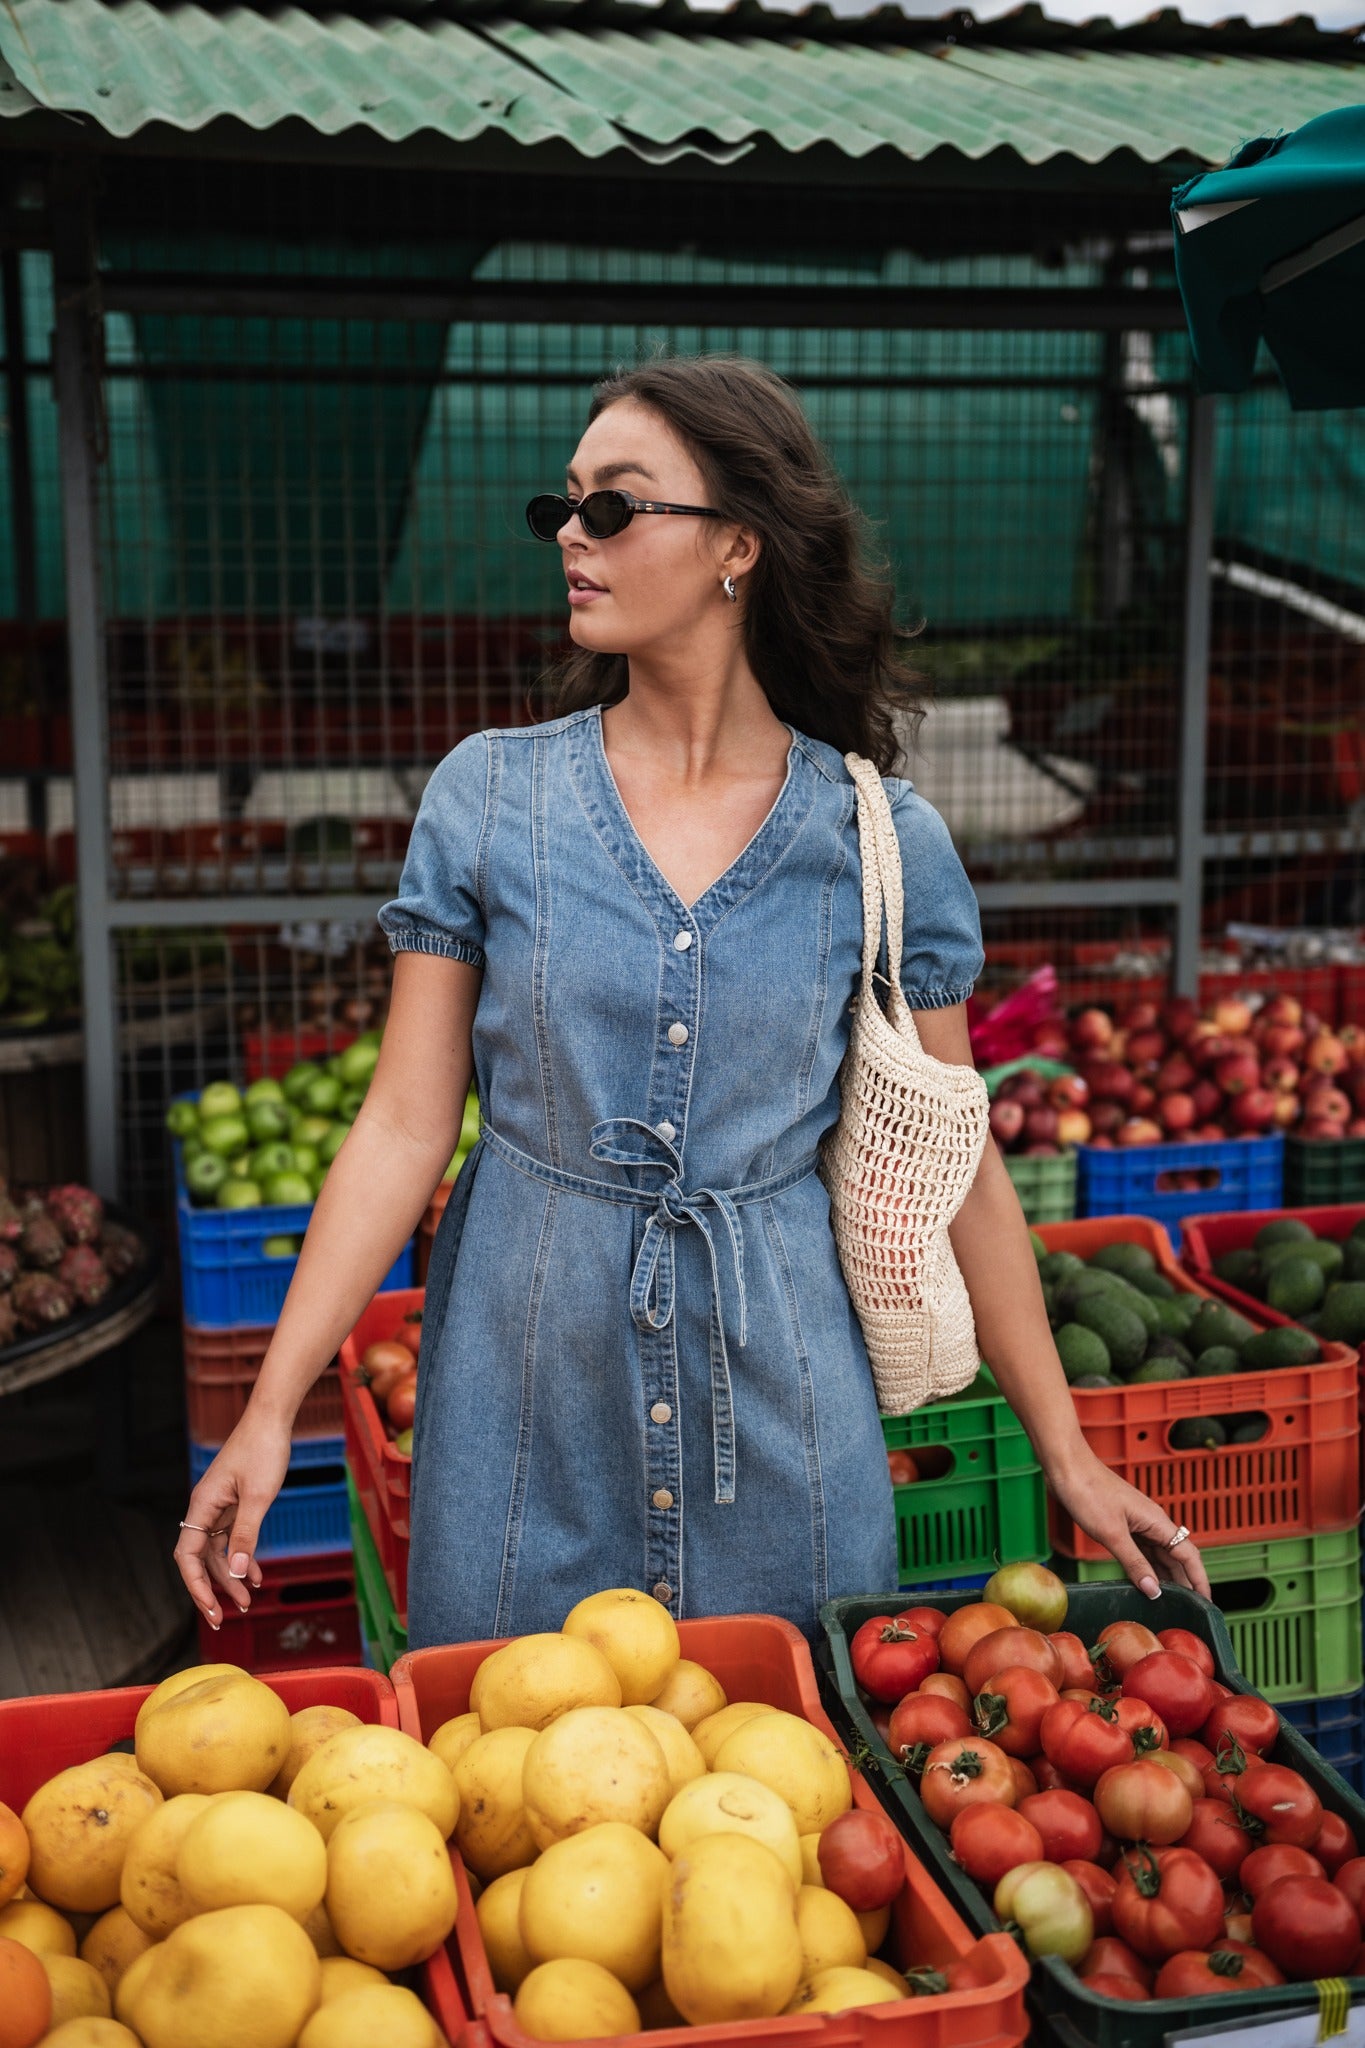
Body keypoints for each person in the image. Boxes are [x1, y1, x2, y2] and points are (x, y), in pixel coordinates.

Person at [175, 354, 1209, 1643]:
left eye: (613, 505)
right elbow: (400, 1125)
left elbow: (959, 1163)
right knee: (504, 1781)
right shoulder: (490, 799)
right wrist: (270, 1411)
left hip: (782, 1408)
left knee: (780, 1803)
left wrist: (1067, 1453)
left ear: (737, 544)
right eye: (561, 505)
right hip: (524, 1390)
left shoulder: (878, 841)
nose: (570, 534)